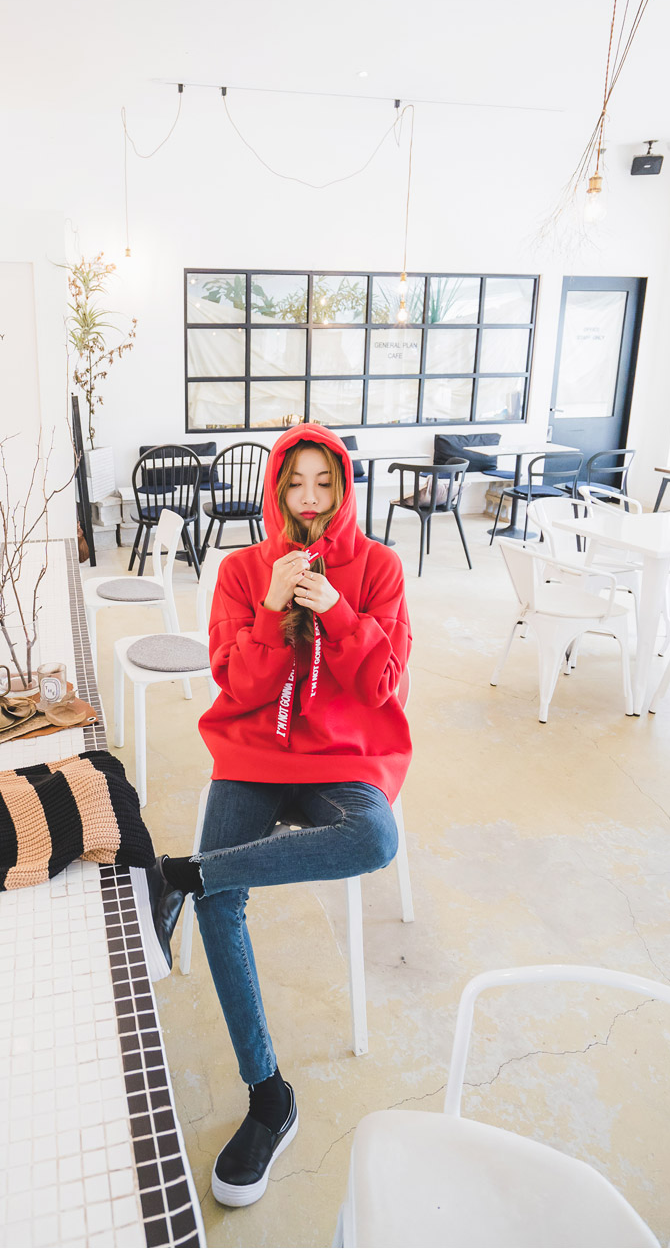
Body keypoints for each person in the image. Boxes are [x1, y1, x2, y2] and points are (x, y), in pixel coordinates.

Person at [142, 423, 412, 1208]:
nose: (310, 499)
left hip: (343, 760)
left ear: (345, 486)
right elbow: (237, 685)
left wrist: (339, 613)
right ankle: (269, 1095)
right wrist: (268, 609)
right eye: (295, 482)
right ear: (275, 489)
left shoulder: (380, 567)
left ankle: (182, 872)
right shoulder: (240, 569)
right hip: (255, 752)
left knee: (376, 834)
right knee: (223, 904)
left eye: (325, 482)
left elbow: (383, 685)